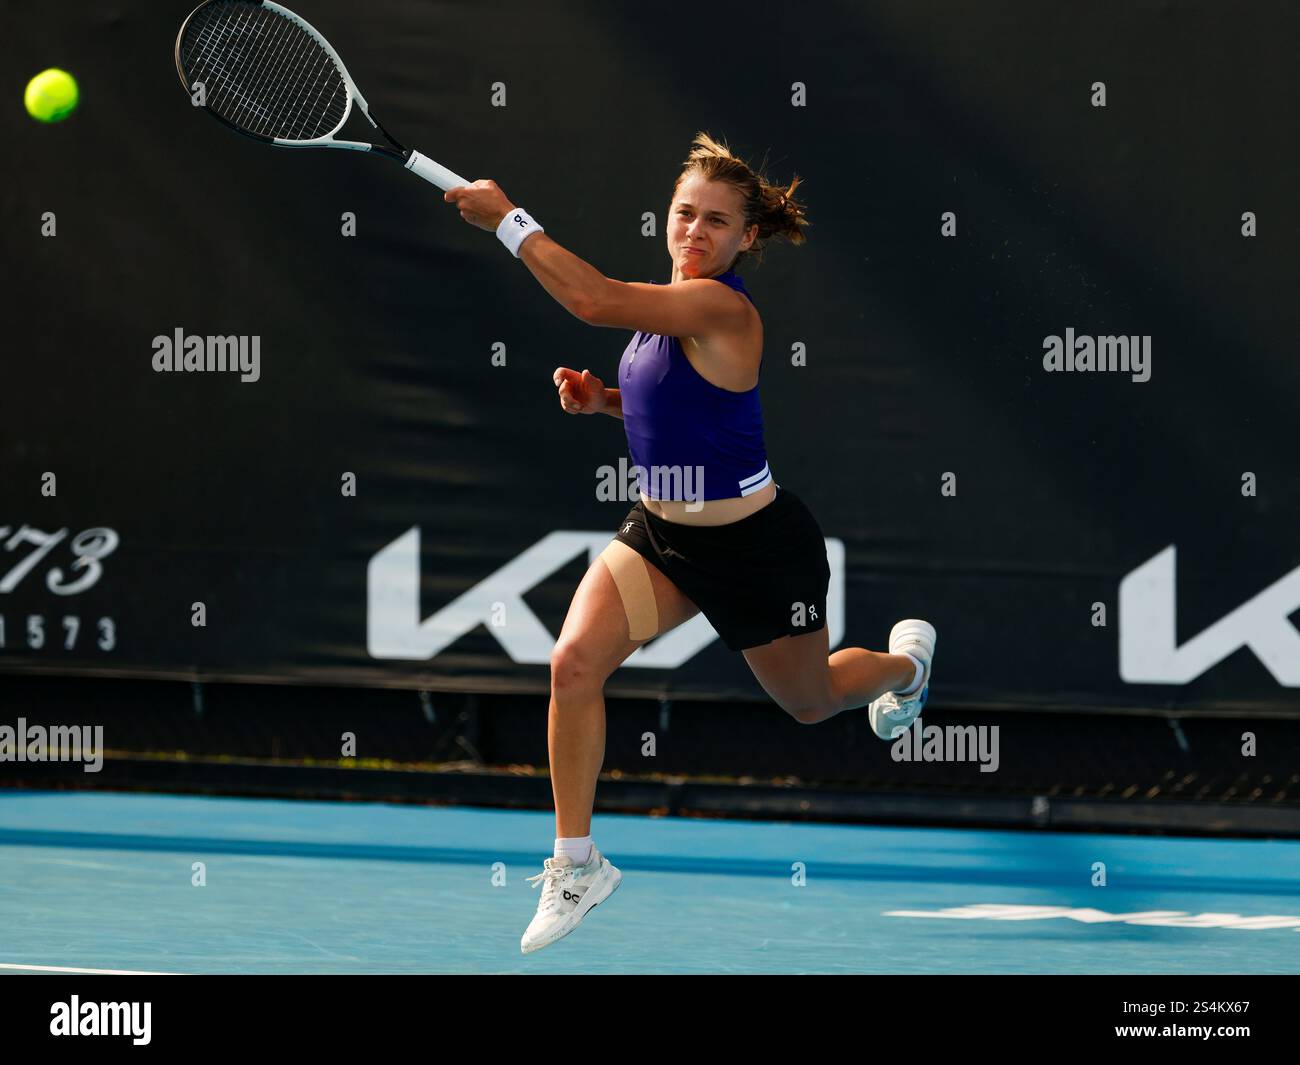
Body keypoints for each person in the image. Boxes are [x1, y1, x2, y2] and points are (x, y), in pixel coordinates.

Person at [445, 132, 936, 954]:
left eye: (716, 221)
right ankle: (576, 863)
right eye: (683, 214)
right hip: (661, 539)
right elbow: (677, 411)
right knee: (573, 664)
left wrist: (507, 219)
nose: (695, 232)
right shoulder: (663, 314)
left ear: (747, 238)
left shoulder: (721, 306)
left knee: (811, 702)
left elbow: (592, 299)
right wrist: (604, 402)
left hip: (756, 548)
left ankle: (906, 669)